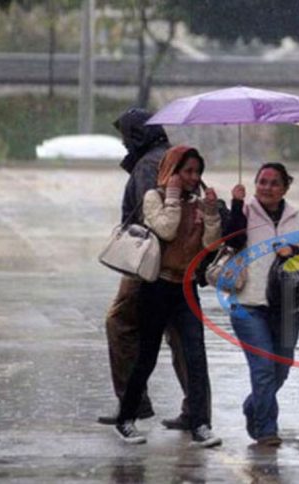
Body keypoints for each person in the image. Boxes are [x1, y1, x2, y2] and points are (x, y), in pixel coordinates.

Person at [100, 108, 210, 431]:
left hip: (152, 265)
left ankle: (133, 404)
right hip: (174, 267)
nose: (124, 143)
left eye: (126, 136)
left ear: (137, 135)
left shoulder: (150, 165)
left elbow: (157, 220)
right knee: (183, 340)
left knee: (121, 324)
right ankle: (197, 412)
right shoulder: (171, 157)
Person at [113, 145, 222, 447]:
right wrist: (172, 197)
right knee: (147, 356)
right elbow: (166, 231)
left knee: (195, 356)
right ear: (172, 171)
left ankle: (200, 424)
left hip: (186, 289)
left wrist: (211, 214)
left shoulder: (199, 205)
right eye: (187, 171)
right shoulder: (154, 197)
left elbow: (211, 245)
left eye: (197, 172)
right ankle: (126, 418)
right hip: (157, 287)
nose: (193, 177)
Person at [226, 163, 299, 447]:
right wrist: (236, 203)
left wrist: (293, 252)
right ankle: (266, 430)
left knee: (281, 368)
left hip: (286, 308)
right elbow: (231, 241)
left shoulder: (295, 219)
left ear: (285, 188)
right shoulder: (243, 212)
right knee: (263, 368)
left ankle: (253, 405)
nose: (267, 187)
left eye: (274, 183)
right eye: (262, 182)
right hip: (248, 304)